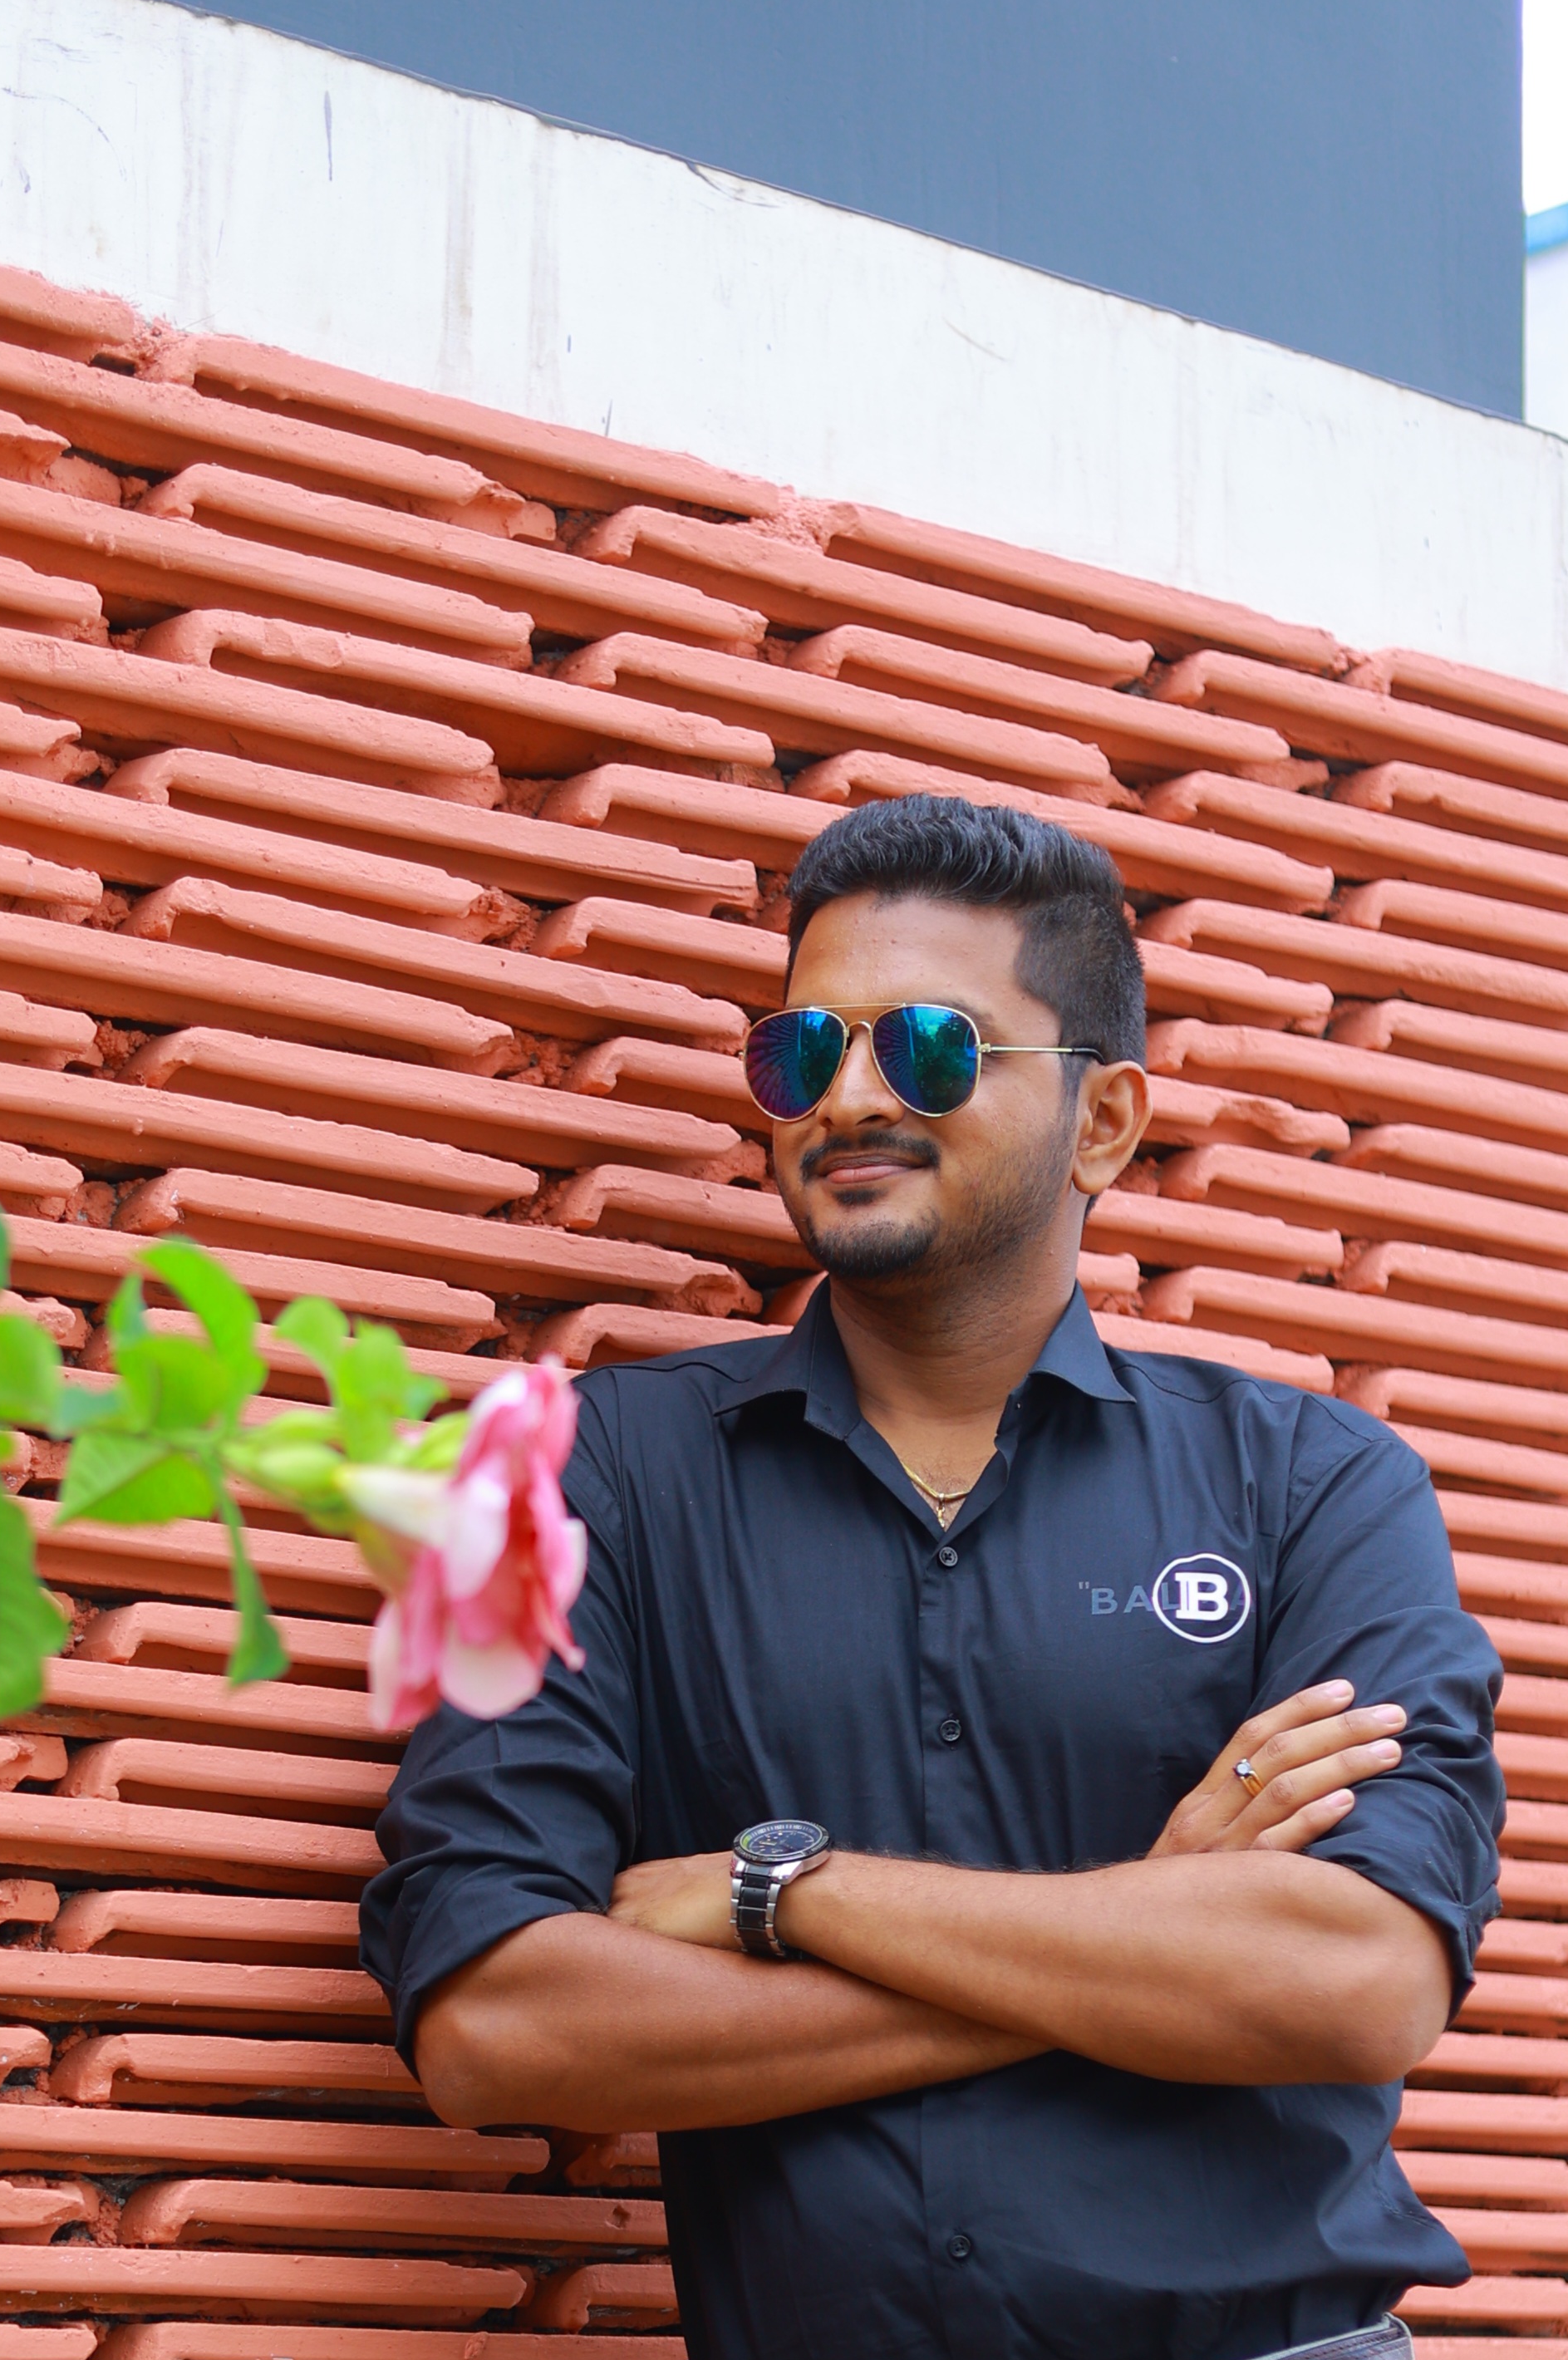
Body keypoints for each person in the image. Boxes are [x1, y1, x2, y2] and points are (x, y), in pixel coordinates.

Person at [360, 794, 1504, 2360]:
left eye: (931, 1048)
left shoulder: (1310, 1488)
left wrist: (782, 1890)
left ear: (1104, 1120)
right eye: (800, 1052)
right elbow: (496, 2022)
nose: (849, 1098)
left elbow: (1357, 1978)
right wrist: (1147, 1929)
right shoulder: (595, 1477)